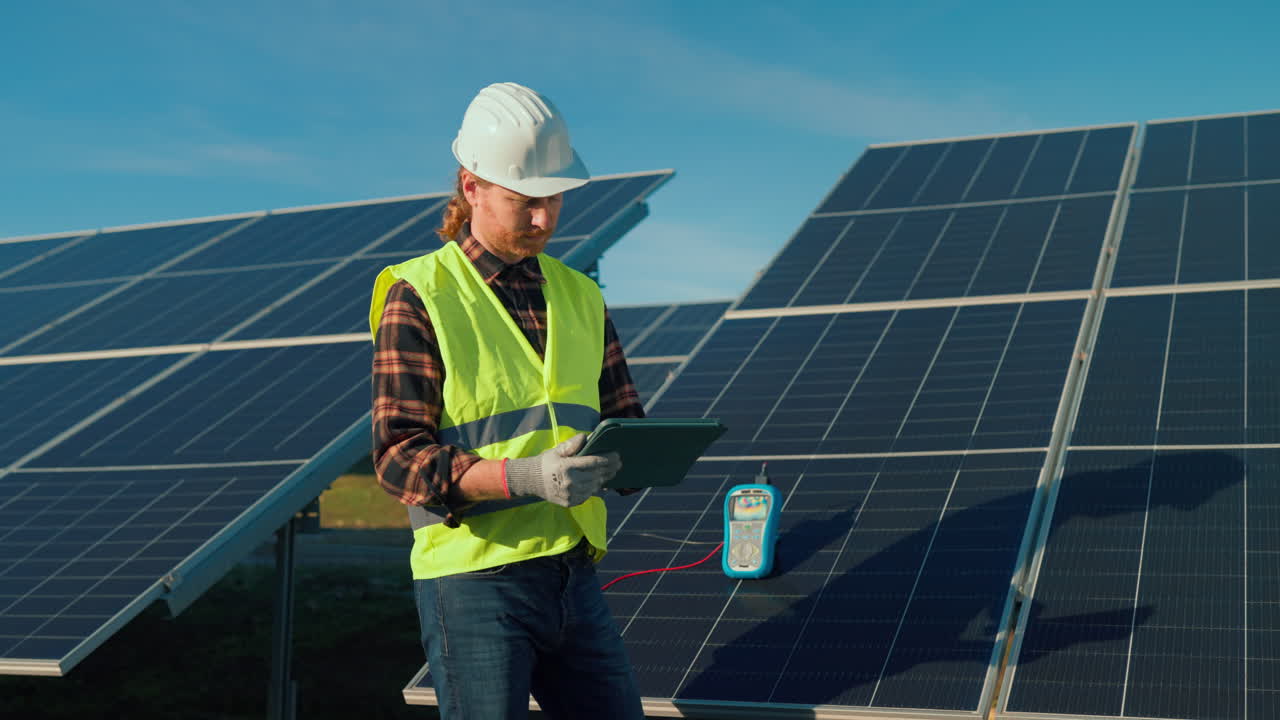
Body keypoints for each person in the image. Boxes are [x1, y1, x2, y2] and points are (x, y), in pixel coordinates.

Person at [368, 82, 647, 720]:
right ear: (472, 187)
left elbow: (622, 416)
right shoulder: (420, 293)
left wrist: (641, 454)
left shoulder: (581, 295)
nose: (545, 218)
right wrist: (526, 477)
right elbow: (397, 458)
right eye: (526, 201)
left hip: (572, 574)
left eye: (553, 198)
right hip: (474, 580)